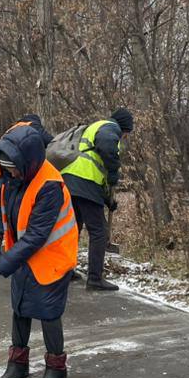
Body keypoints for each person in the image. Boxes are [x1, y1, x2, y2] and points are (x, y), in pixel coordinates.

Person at [0, 123, 78, 378]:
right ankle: (18, 364)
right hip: (24, 257)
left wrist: (0, 265)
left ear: (28, 162)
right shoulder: (18, 176)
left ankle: (57, 369)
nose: (10, 173)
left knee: (48, 312)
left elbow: (36, 236)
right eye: (7, 169)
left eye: (14, 168)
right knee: (20, 308)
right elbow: (11, 195)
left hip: (51, 259)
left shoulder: (50, 186)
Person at [60, 107, 133, 291]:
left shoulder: (96, 127)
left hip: (70, 179)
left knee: (73, 228)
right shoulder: (110, 128)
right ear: (123, 128)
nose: (124, 137)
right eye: (126, 133)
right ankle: (94, 279)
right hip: (84, 181)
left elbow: (96, 164)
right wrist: (114, 170)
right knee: (99, 231)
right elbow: (107, 147)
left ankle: (65, 271)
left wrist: (108, 200)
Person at [0, 114, 52, 259]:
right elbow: (51, 142)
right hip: (17, 168)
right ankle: (13, 244)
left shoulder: (11, 130)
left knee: (2, 206)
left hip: (2, 170)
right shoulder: (30, 128)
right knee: (11, 205)